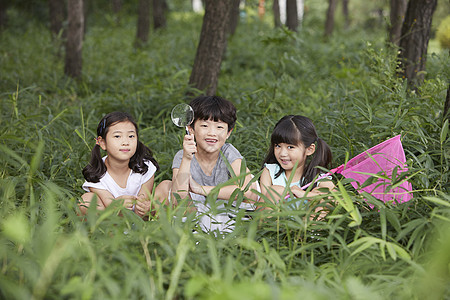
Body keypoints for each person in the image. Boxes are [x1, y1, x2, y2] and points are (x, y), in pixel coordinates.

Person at [170, 96, 259, 233]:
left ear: (228, 132)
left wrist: (201, 189)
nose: (212, 133)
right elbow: (178, 199)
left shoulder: (228, 153)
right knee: (166, 186)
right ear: (191, 129)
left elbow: (248, 192)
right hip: (200, 212)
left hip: (229, 211)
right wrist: (187, 159)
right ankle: (194, 236)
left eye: (219, 127)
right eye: (205, 126)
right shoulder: (182, 156)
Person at [79, 111, 164, 219]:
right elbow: (111, 207)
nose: (125, 142)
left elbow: (143, 199)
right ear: (102, 143)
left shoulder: (144, 166)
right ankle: (110, 233)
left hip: (141, 220)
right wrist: (117, 206)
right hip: (112, 221)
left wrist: (145, 207)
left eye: (131, 136)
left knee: (166, 186)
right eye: (117, 136)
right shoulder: (96, 174)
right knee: (86, 200)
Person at [260, 115, 334, 211]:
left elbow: (338, 199)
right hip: (274, 223)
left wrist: (305, 195)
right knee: (274, 191)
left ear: (309, 150)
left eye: (290, 147)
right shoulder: (270, 171)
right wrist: (277, 194)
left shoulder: (318, 177)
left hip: (307, 222)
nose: (282, 153)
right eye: (278, 146)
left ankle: (306, 226)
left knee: (323, 198)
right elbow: (260, 208)